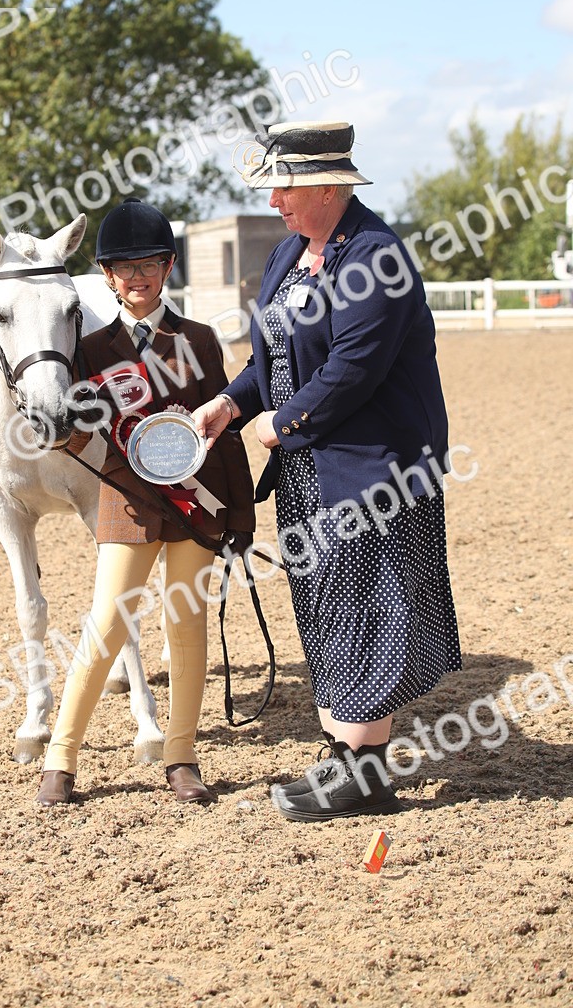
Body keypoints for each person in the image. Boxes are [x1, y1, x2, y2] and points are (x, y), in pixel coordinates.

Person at [192, 121, 462, 822]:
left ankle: (366, 775)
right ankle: (345, 754)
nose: (274, 198)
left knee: (365, 604)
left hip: (374, 470)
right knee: (325, 604)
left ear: (325, 186)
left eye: (283, 185)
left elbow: (351, 372)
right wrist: (229, 402)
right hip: (311, 469)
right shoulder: (289, 253)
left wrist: (278, 425)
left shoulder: (377, 256)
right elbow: (271, 357)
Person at [37, 196, 255, 807]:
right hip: (128, 503)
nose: (136, 277)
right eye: (123, 267)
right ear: (107, 277)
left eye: (148, 265)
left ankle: (181, 755)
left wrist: (240, 513)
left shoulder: (202, 342)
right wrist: (61, 424)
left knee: (187, 630)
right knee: (107, 624)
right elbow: (79, 435)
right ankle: (62, 757)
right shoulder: (91, 351)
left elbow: (226, 433)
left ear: (168, 268)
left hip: (197, 505)